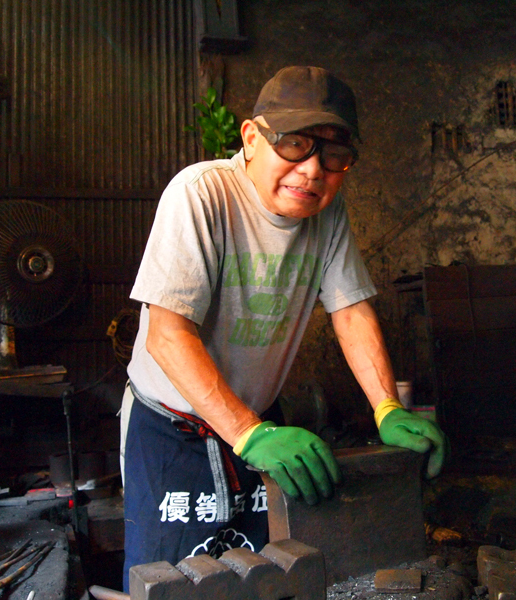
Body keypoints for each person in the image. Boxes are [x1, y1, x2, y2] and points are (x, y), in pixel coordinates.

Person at [120, 65, 448, 591]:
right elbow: (167, 334)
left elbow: (350, 310)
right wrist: (246, 433)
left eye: (335, 156)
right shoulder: (202, 195)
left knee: (272, 576)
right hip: (171, 431)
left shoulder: (329, 213)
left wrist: (386, 405)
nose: (314, 171)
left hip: (262, 423)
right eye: (295, 145)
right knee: (176, 583)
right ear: (252, 139)